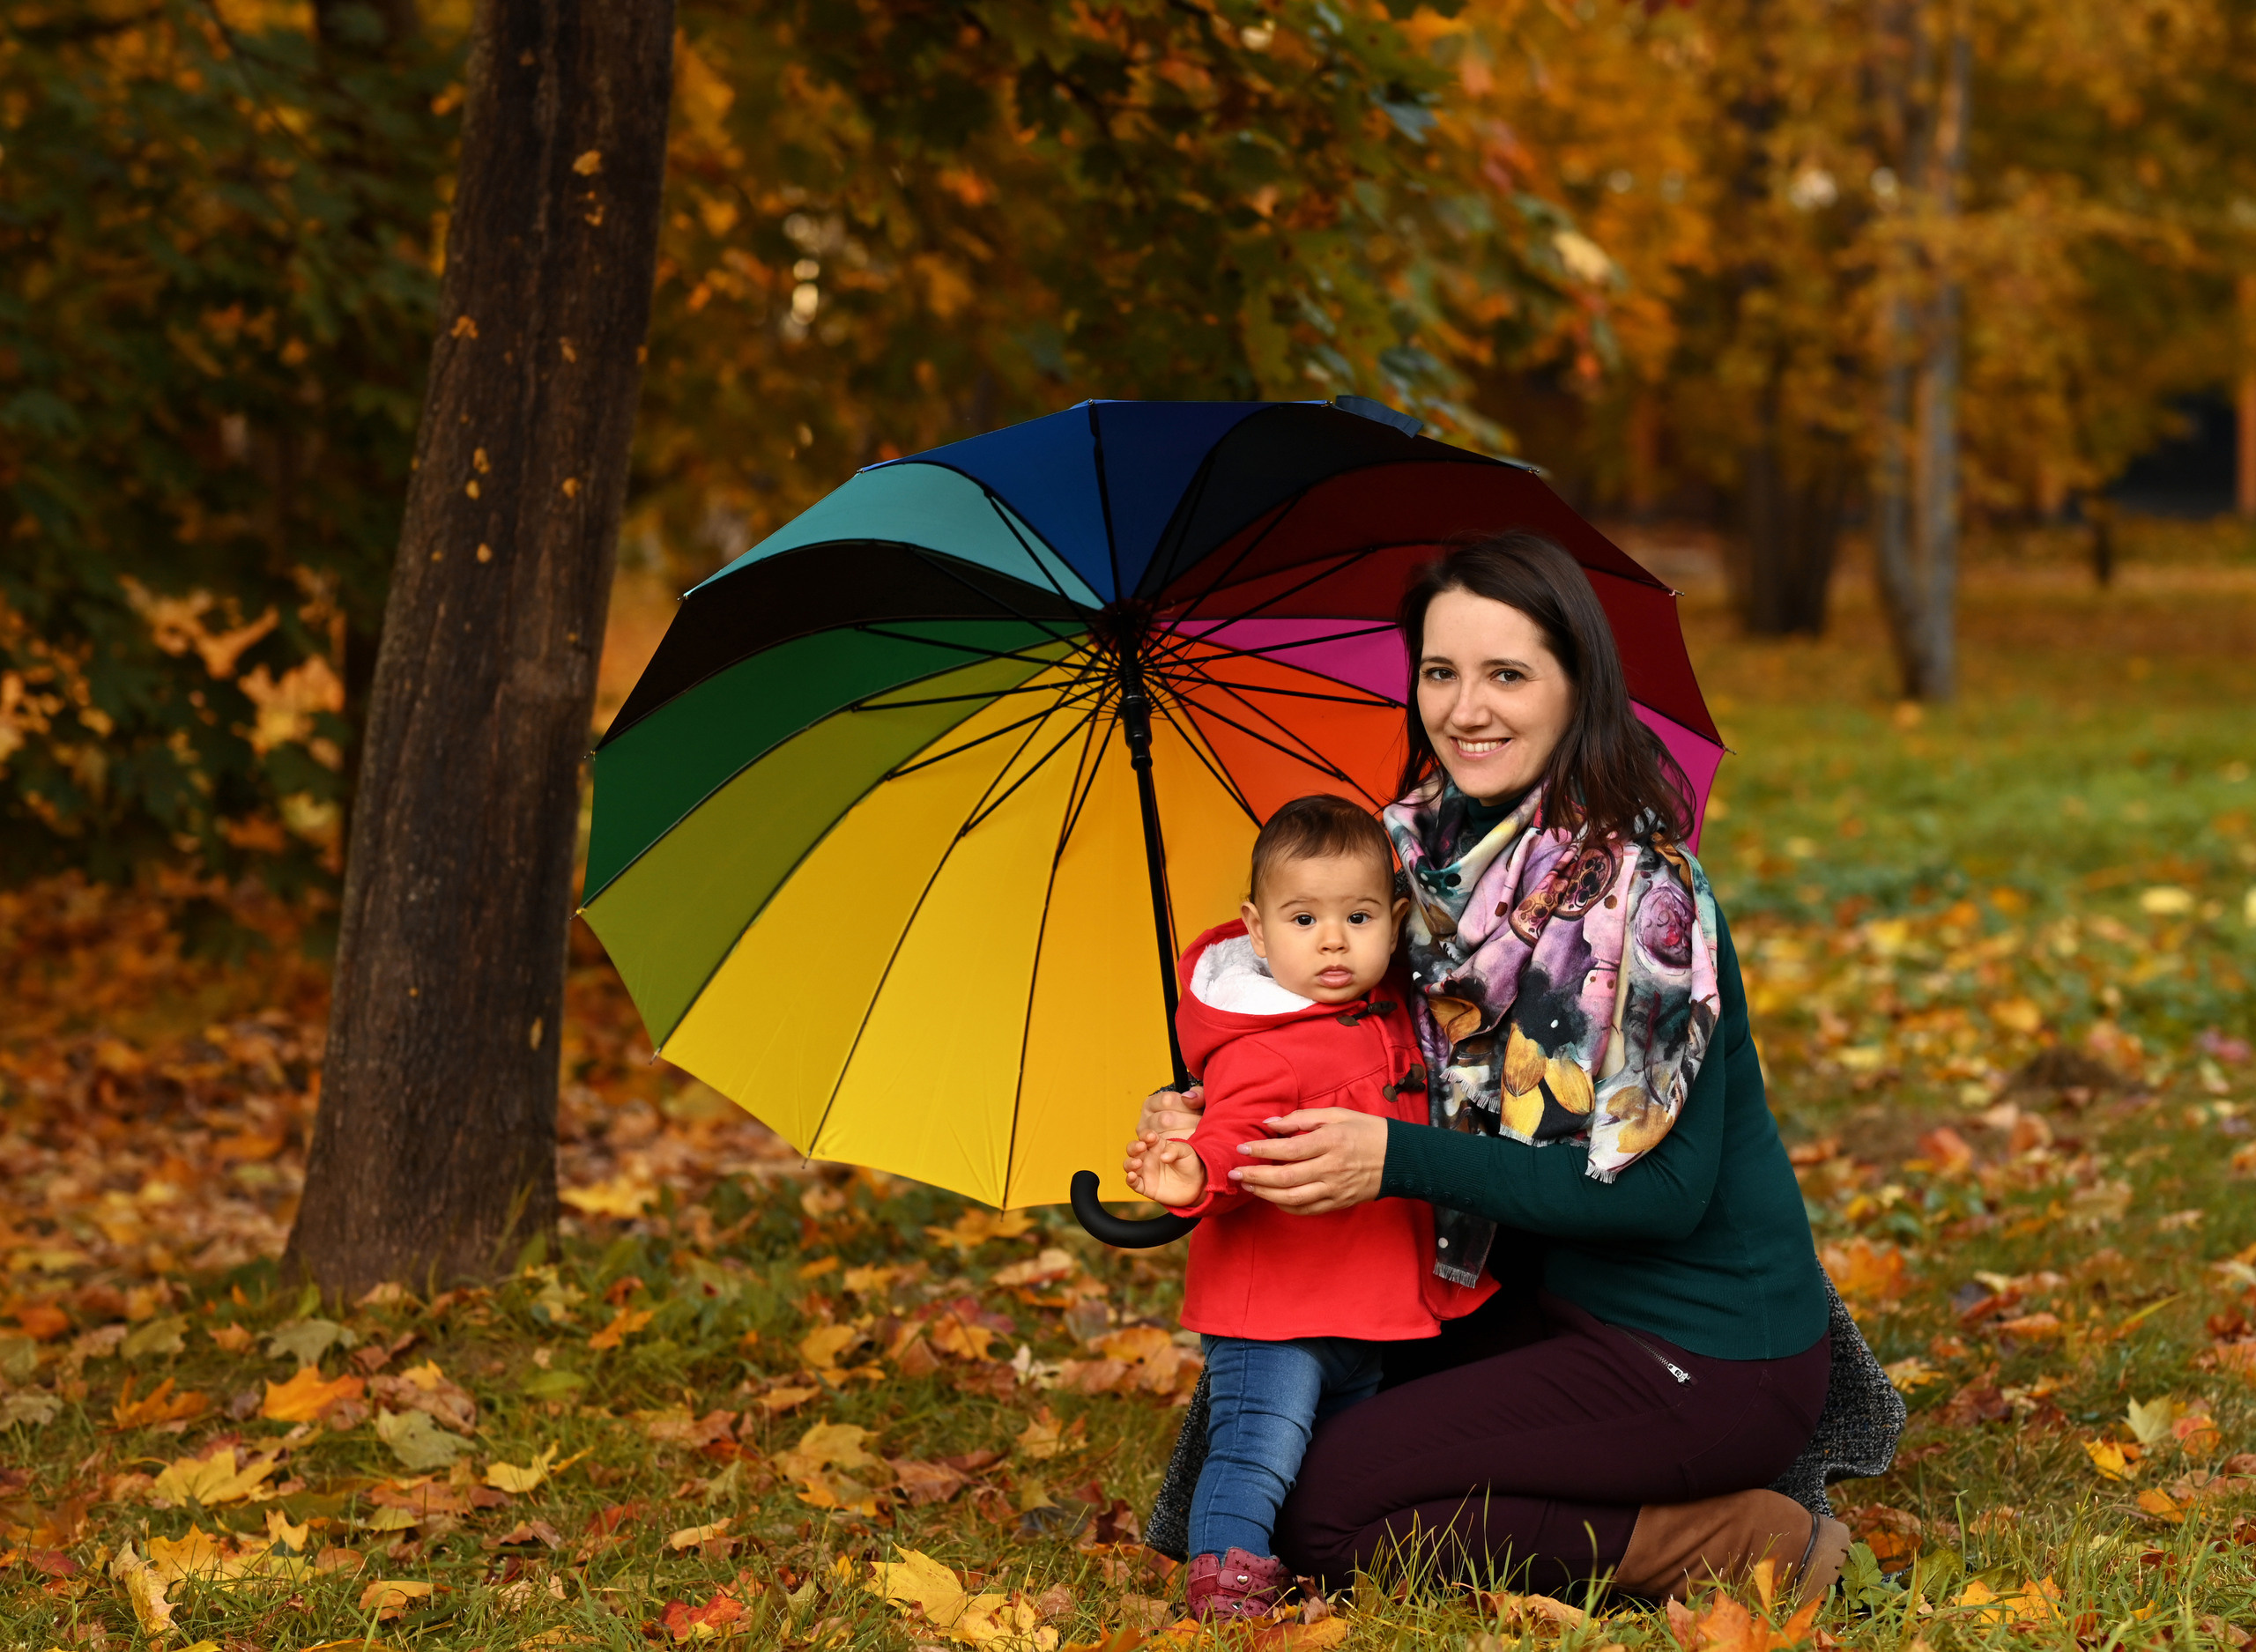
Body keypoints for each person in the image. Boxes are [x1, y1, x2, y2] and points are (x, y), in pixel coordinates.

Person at [1127, 532, 1855, 1606]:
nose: (1465, 709)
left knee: (1328, 1512)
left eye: (1506, 674)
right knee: (1278, 1460)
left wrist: (1397, 1158)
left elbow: (1660, 1196)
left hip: (1700, 1346)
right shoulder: (1408, 858)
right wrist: (1213, 1098)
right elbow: (1324, 1039)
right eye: (1439, 673)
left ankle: (1732, 1542)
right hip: (1528, 1294)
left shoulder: (1640, 902)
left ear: (1576, 686)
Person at [1125, 795, 1499, 1622]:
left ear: (1396, 919)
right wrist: (1192, 1170)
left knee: (1331, 1455)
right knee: (1258, 1445)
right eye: (1304, 918)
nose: (1333, 939)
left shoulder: (1395, 1010)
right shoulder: (1265, 1043)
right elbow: (1230, 1141)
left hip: (1365, 1308)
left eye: (1358, 915)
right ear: (1256, 931)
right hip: (1278, 1313)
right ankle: (1222, 1577)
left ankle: (1299, 1563)